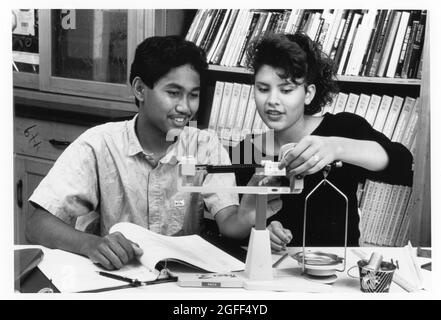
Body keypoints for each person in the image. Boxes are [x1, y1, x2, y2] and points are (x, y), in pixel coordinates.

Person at [26, 36, 266, 270]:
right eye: (173, 93)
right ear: (140, 89)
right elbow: (37, 226)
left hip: (176, 282)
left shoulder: (206, 146)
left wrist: (248, 212)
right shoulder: (98, 144)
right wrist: (91, 244)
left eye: (193, 95)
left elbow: (230, 225)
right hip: (116, 279)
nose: (185, 107)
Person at [230, 32, 413, 250]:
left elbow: (402, 165)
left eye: (286, 90)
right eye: (262, 89)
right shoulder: (245, 150)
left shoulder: (343, 128)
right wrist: (259, 233)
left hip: (338, 275)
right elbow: (234, 226)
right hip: (276, 274)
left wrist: (336, 147)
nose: (272, 101)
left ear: (308, 94)